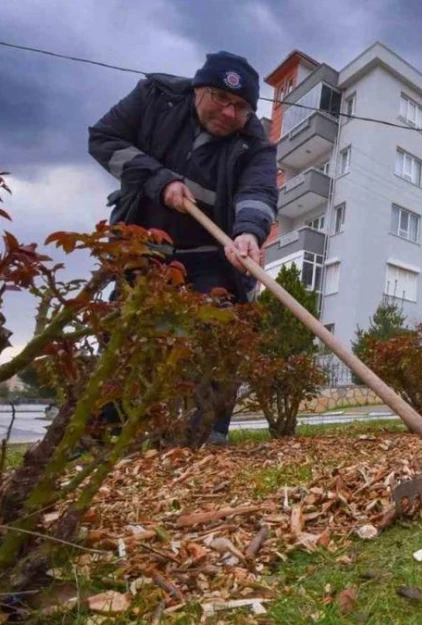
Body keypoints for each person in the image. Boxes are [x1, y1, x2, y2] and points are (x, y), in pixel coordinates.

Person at [87, 51, 278, 446]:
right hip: (145, 245)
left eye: (240, 107)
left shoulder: (254, 141)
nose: (229, 112)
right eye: (220, 98)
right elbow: (104, 138)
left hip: (210, 252)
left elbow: (258, 190)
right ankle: (102, 434)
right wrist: (159, 179)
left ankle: (208, 433)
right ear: (198, 89)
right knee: (126, 333)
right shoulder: (155, 98)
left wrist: (248, 233)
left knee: (222, 327)